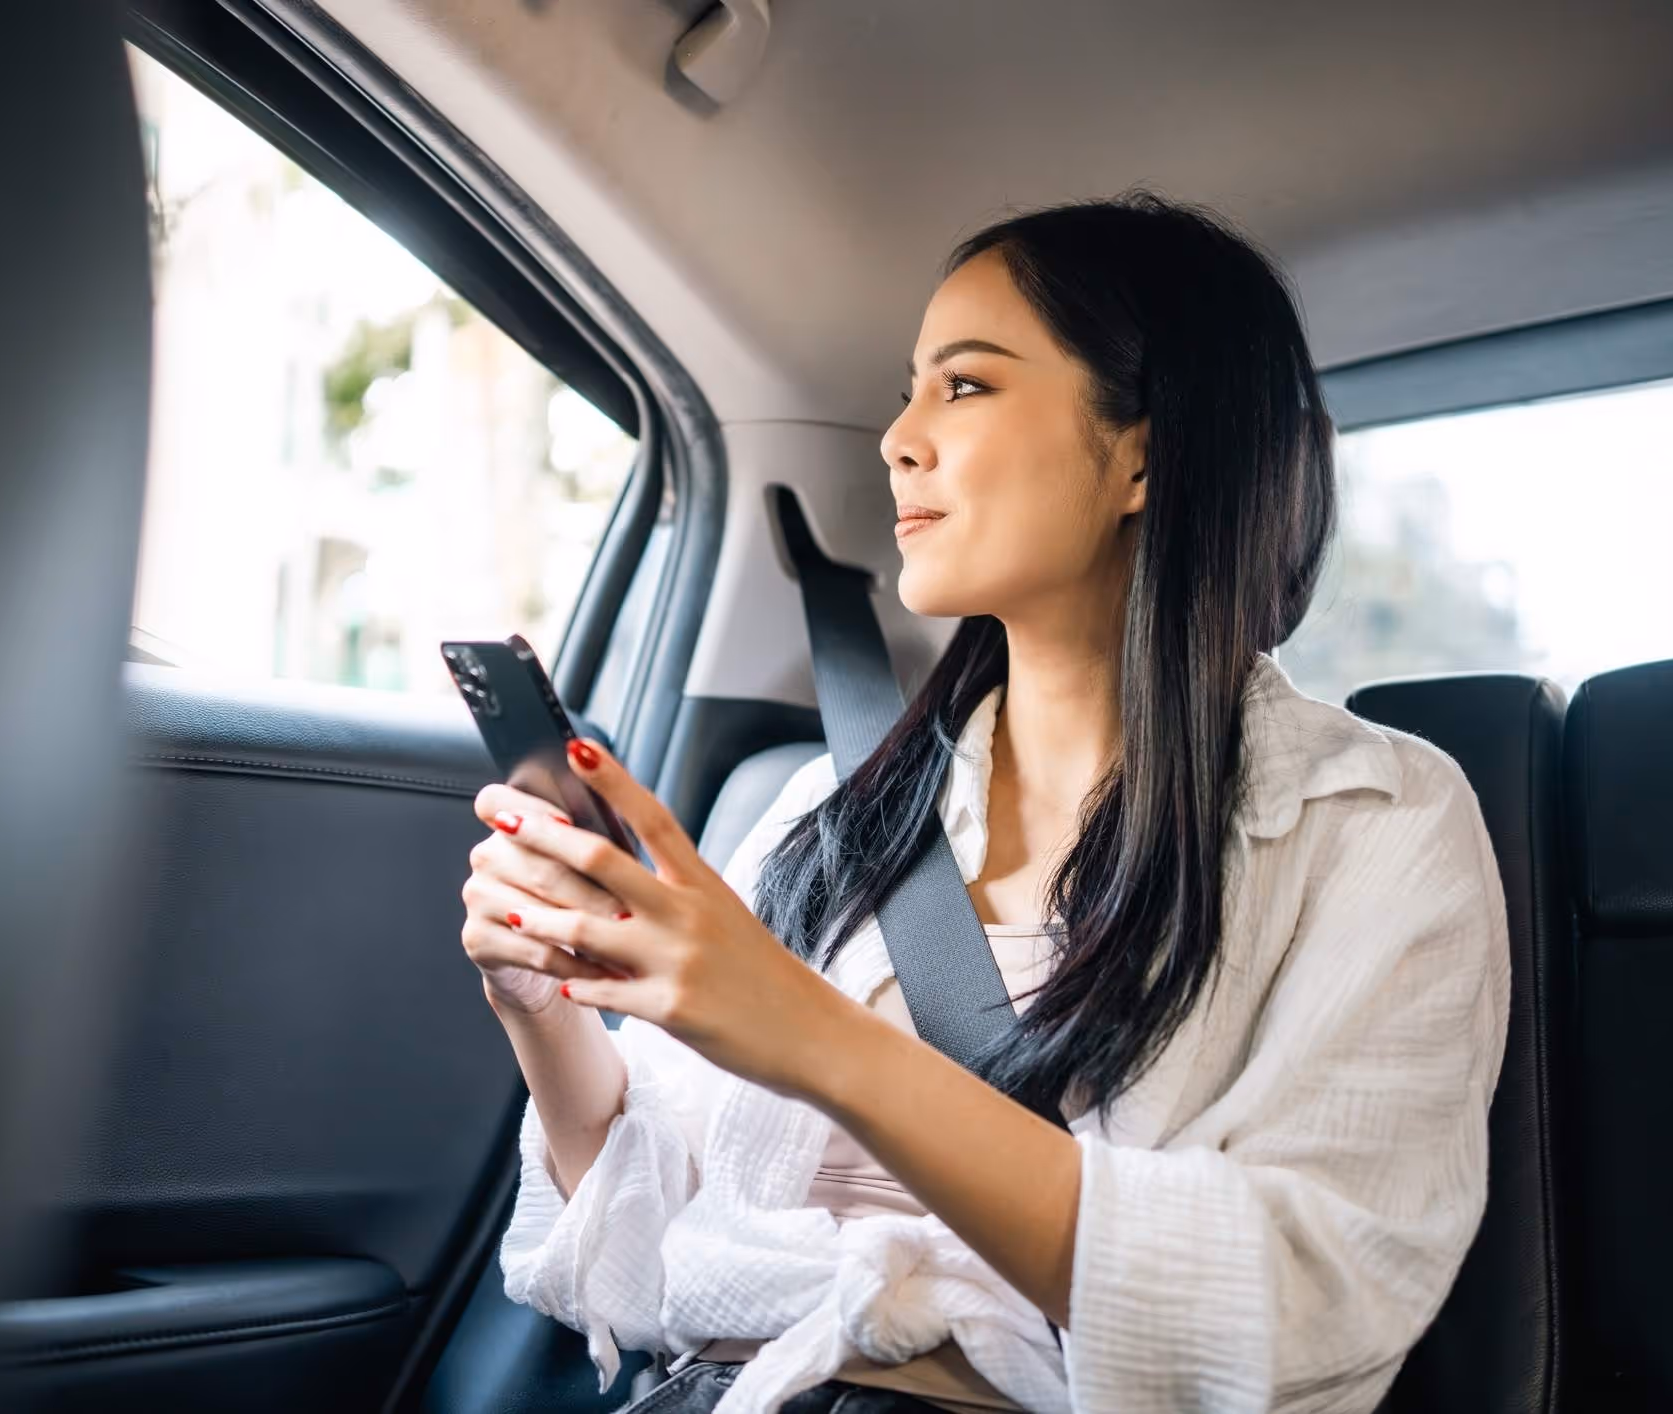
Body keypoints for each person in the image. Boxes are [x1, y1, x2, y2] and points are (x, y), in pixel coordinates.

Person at [457, 189, 1509, 1414]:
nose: (898, 437)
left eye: (963, 386)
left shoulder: (1377, 821)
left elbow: (1297, 1303)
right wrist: (539, 1005)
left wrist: (813, 1034)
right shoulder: (836, 808)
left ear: (1145, 451)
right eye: (910, 389)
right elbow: (642, 1265)